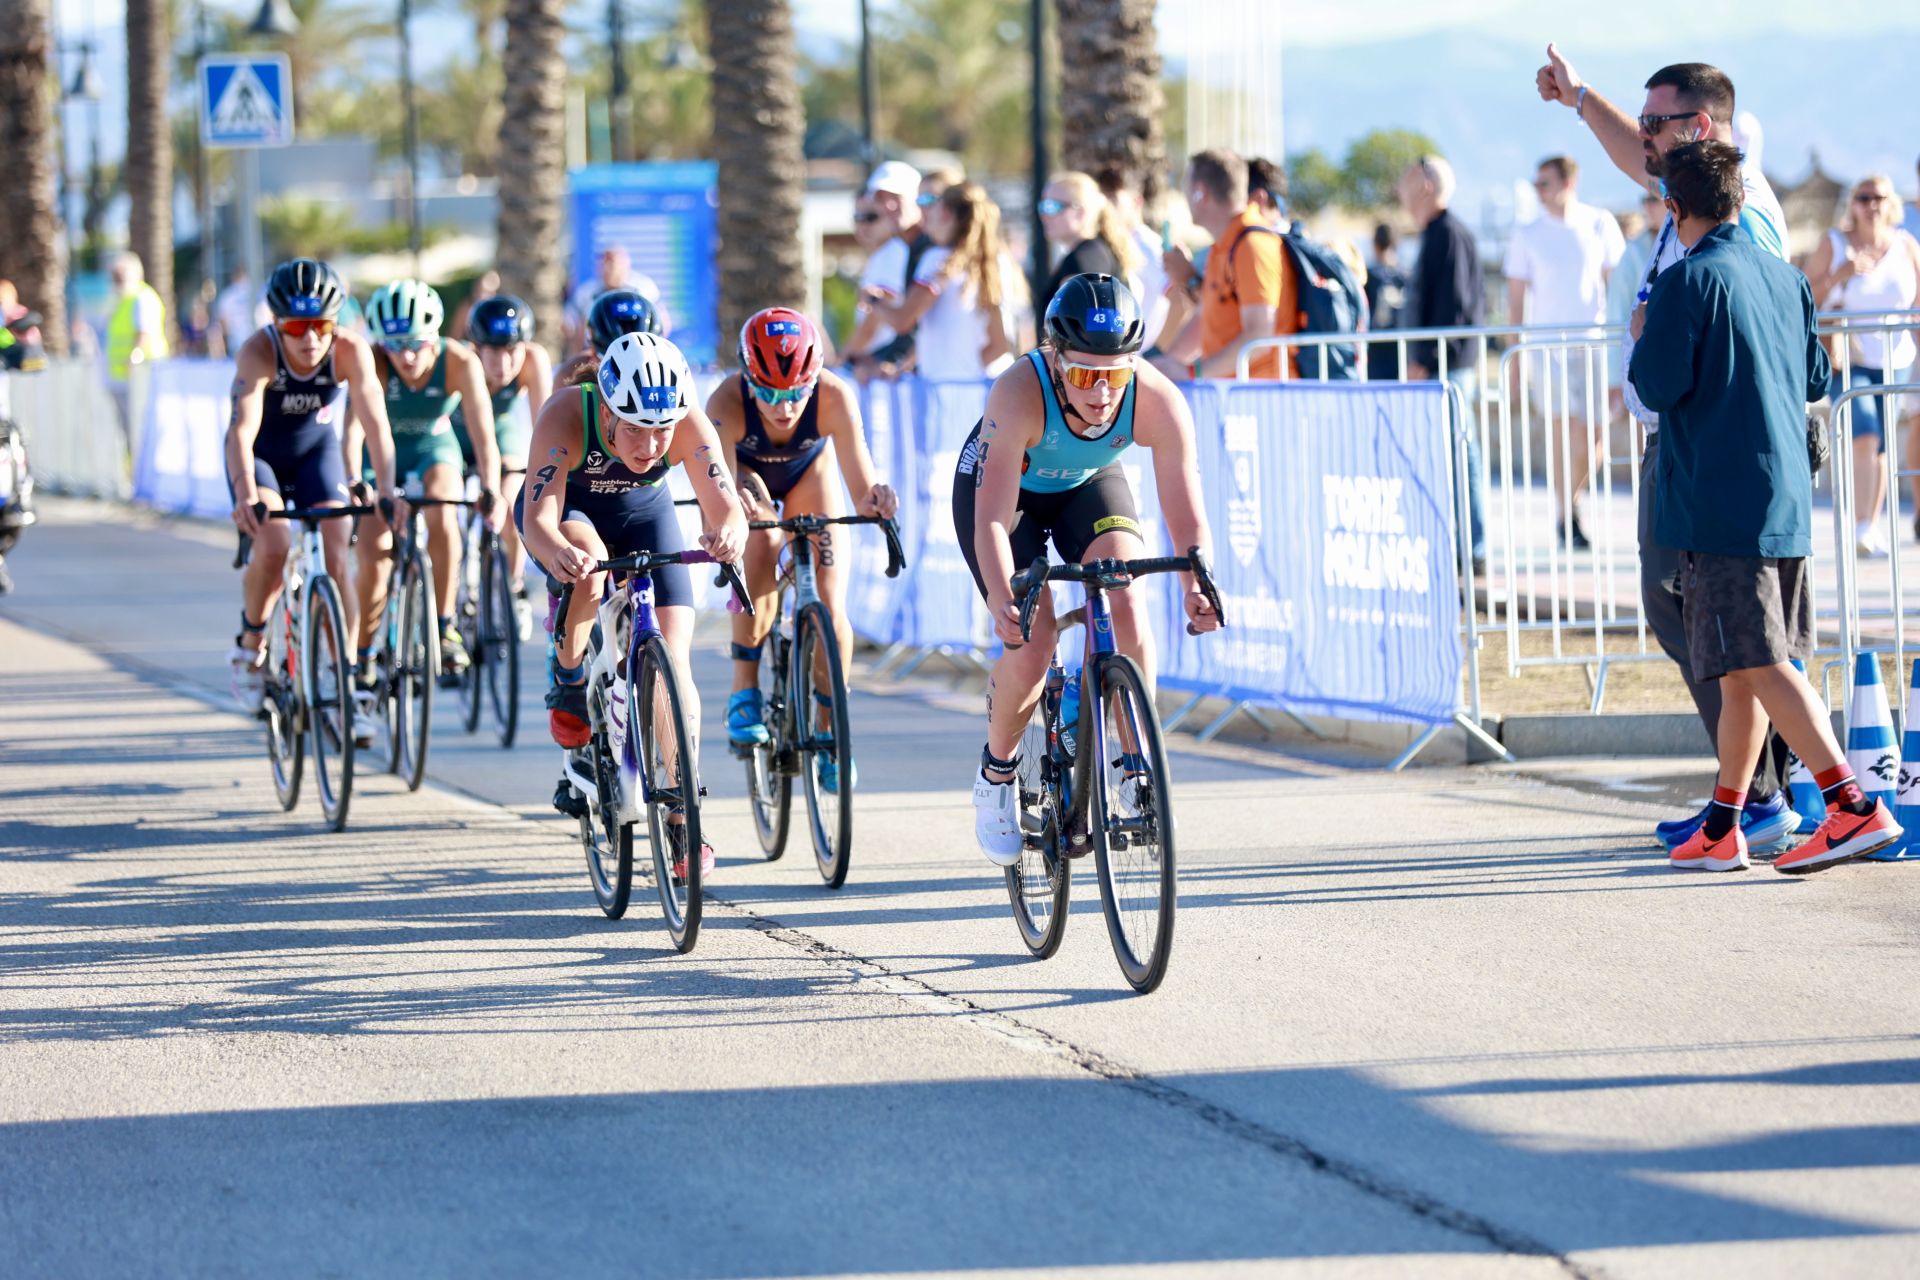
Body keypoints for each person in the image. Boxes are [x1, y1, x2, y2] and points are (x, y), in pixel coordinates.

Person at [1537, 47, 1800, 851]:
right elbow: (1633, 155)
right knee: (1711, 622)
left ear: (1702, 126)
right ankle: (1749, 796)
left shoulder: (1736, 215)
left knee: (1728, 629)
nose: (1644, 139)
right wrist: (1582, 98)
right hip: (1705, 443)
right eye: (1644, 123)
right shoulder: (1698, 191)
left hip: (1712, 447)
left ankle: (1776, 795)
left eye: (1657, 124)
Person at [1629, 140, 1900, 874]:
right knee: (1740, 664)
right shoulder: (1787, 277)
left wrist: (1643, 331)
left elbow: (1654, 387)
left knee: (1758, 658)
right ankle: (1724, 820)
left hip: (1717, 500)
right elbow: (1817, 371)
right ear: (1742, 202)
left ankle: (1851, 805)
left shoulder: (1685, 282)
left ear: (1674, 208)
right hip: (1783, 495)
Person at [956, 274, 1219, 862]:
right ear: (1054, 360)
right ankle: (996, 776)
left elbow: (1185, 511)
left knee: (1126, 593)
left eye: (1116, 374)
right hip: (1009, 497)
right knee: (1033, 638)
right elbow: (992, 521)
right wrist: (1004, 599)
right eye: (1083, 374)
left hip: (1086, 483)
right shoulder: (1018, 392)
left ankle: (1133, 762)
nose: (1101, 392)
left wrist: (1195, 584)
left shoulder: (1156, 399)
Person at [518, 331, 748, 878]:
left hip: (648, 514)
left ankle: (681, 813)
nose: (650, 447)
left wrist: (729, 533)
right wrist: (559, 554)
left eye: (662, 431)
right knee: (591, 568)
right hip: (575, 513)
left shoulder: (687, 419)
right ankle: (570, 676)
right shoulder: (567, 415)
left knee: (675, 659)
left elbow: (726, 505)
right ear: (609, 411)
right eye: (637, 430)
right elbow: (536, 521)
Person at [707, 308, 899, 787]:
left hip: (806, 477)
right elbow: (719, 494)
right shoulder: (726, 402)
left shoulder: (834, 394)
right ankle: (744, 688)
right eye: (769, 393)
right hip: (746, 477)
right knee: (762, 539)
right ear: (747, 378)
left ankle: (832, 731)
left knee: (831, 608)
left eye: (796, 392)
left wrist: (876, 498)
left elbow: (860, 483)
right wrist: (736, 520)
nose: (785, 406)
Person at [225, 258, 399, 743]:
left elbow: (376, 426)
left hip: (314, 454)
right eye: (297, 327)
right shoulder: (258, 351)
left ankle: (341, 687)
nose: (310, 339)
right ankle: (251, 642)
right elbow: (240, 430)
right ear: (277, 324)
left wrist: (385, 490)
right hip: (261, 458)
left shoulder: (350, 351)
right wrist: (243, 494)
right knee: (276, 540)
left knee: (338, 547)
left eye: (321, 325)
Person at [353, 279, 502, 690]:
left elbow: (483, 433)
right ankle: (364, 652)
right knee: (373, 551)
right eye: (394, 345)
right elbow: (352, 432)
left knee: (443, 504)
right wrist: (357, 481)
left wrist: (491, 487)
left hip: (432, 448)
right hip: (377, 455)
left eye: (416, 344)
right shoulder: (373, 361)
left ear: (434, 336)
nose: (405, 355)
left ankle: (444, 625)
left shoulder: (458, 361)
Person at [1505, 155, 1626, 550]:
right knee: (1560, 431)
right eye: (1536, 184)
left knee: (1594, 437)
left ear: (1567, 184)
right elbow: (1516, 302)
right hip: (1547, 345)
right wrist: (1515, 361)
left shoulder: (1598, 223)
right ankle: (1565, 515)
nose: (1539, 192)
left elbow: (1616, 285)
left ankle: (1571, 502)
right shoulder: (1527, 234)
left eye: (1546, 184)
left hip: (1592, 342)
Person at [1805, 174, 1920, 556]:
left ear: (1891, 204)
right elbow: (1804, 295)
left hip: (1896, 357)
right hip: (1846, 358)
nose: (1871, 205)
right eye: (1863, 197)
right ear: (1852, 203)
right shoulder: (1834, 243)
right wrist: (1842, 274)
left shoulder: (1906, 245)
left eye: (1879, 197)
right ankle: (1861, 526)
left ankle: (1869, 526)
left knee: (1882, 444)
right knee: (1866, 433)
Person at [1396, 155, 1486, 570]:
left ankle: (1473, 547)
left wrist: (1427, 359)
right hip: (1439, 366)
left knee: (1458, 450)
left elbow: (1456, 307)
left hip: (1446, 368)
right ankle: (1462, 542)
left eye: (1409, 177)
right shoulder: (1436, 234)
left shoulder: (1448, 235)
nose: (1401, 186)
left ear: (1426, 186)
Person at [1148, 149, 1298, 382]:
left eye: (1186, 187)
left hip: (1262, 397)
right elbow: (1209, 316)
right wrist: (1167, 367)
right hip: (1239, 394)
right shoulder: (1227, 245)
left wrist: (1191, 372)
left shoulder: (1252, 244)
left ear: (1200, 193)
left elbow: (1259, 336)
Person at [459, 294, 553, 638]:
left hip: (500, 432)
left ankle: (512, 589)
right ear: (476, 348)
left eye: (512, 350)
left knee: (515, 502)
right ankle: (456, 584)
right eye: (494, 352)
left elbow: (546, 425)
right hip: (457, 432)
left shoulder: (533, 360)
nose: (504, 362)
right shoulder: (463, 361)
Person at [861, 182, 1014, 382]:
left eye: (933, 206)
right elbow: (1000, 344)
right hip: (982, 390)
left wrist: (873, 301)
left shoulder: (935, 259)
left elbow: (902, 321)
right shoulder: (993, 263)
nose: (926, 215)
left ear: (946, 214)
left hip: (948, 394)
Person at [845, 160, 927, 377]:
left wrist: (845, 360)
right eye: (881, 200)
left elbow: (904, 322)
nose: (889, 206)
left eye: (870, 217)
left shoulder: (912, 250)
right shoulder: (908, 248)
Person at [1034, 171, 1139, 321]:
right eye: (1042, 206)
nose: (1044, 215)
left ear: (1080, 212)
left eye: (1052, 206)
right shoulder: (1093, 252)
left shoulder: (1085, 258)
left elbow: (1075, 326)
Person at [1095, 166, 1170, 350]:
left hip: (1141, 360)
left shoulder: (1147, 246)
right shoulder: (1113, 245)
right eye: (1102, 199)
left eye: (1113, 199)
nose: (1106, 208)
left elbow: (1180, 300)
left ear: (1136, 201)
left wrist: (1157, 353)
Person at [105, 252, 170, 445]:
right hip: (123, 379)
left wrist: (135, 359)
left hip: (141, 377)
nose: (116, 281)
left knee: (142, 431)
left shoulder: (143, 298)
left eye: (121, 276)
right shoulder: (124, 300)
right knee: (130, 433)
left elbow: (144, 334)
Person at [563, 247, 665, 354]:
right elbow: (571, 327)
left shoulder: (644, 288)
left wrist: (656, 352)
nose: (607, 268)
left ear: (625, 265)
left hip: (641, 350)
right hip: (598, 353)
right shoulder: (586, 293)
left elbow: (661, 320)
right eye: (603, 263)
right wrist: (580, 358)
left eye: (611, 263)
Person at [213, 268, 268, 359]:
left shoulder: (227, 295)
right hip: (260, 342)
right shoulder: (261, 291)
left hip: (237, 344)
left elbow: (224, 324)